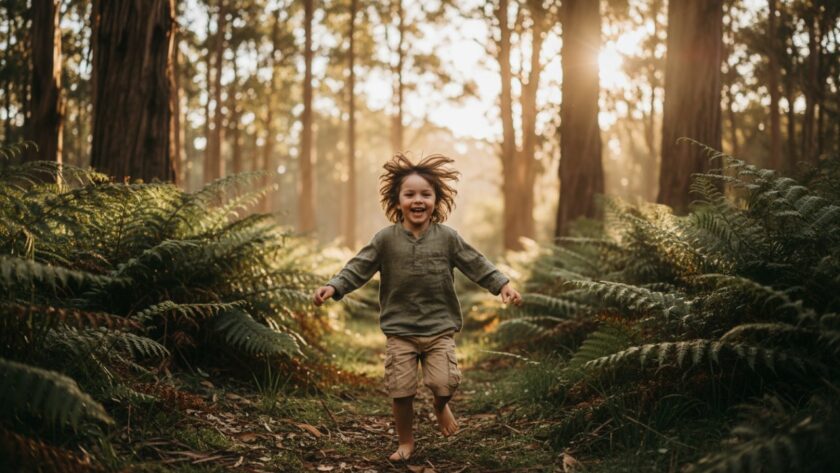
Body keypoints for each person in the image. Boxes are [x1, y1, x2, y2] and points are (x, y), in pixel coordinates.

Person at [312, 153, 522, 461]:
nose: (418, 200)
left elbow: (476, 263)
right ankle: (406, 442)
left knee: (444, 382)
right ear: (397, 201)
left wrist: (502, 284)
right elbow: (359, 266)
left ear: (436, 200)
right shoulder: (385, 239)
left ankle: (440, 406)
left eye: (426, 194)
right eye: (409, 194)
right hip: (400, 330)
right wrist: (334, 286)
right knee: (401, 391)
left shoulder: (447, 238)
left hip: (440, 328)